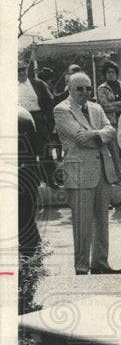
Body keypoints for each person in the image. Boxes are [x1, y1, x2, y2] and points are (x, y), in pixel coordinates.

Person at [53, 72, 121, 275]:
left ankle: (100, 262)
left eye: (88, 88)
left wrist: (93, 134)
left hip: (102, 169)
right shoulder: (61, 110)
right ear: (70, 89)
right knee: (82, 222)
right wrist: (100, 135)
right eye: (80, 88)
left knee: (102, 219)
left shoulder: (96, 107)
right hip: (79, 171)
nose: (85, 92)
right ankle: (81, 266)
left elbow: (111, 132)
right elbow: (77, 136)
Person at [17, 61, 55, 186]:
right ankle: (32, 182)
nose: (21, 73)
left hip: (38, 119)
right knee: (27, 152)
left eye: (23, 69)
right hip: (20, 121)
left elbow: (50, 102)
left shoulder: (38, 84)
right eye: (18, 70)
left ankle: (50, 179)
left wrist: (48, 121)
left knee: (45, 150)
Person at [18, 107, 43, 259]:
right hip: (28, 175)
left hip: (21, 176)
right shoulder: (23, 113)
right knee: (26, 223)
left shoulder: (20, 116)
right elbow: (38, 148)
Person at [96, 62, 121, 128]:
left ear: (116, 73)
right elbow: (104, 106)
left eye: (113, 72)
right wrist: (120, 103)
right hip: (111, 122)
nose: (111, 74)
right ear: (105, 74)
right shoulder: (102, 88)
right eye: (108, 72)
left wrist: (112, 103)